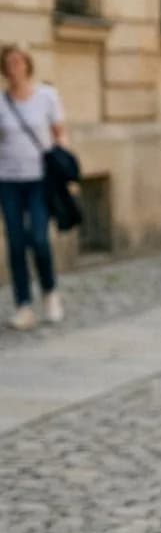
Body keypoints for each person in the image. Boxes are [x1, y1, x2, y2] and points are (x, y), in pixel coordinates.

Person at [0, 45, 67, 330]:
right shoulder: (1, 102)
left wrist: (65, 170)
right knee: (15, 243)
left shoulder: (47, 96)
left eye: (19, 61)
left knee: (38, 239)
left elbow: (60, 134)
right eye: (9, 63)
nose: (15, 67)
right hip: (8, 180)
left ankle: (50, 293)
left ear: (28, 65)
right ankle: (24, 305)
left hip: (40, 180)